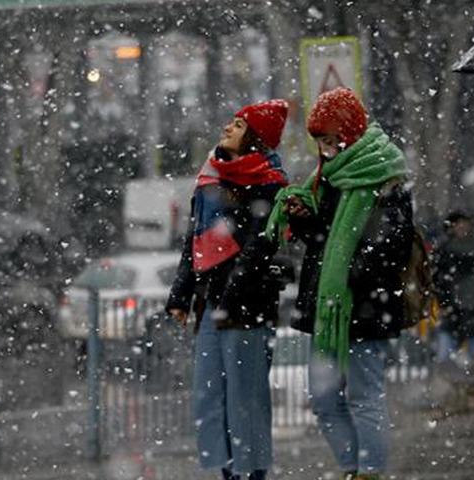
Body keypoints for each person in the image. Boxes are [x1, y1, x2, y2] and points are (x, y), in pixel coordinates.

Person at [266, 87, 413, 480]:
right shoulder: (327, 177)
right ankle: (352, 468)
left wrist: (350, 271)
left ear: (349, 132)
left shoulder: (385, 176)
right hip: (328, 307)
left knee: (365, 396)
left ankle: (369, 471)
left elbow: (390, 245)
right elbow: (322, 237)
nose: (327, 149)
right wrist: (301, 217)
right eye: (320, 142)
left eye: (331, 139)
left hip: (365, 304)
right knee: (324, 397)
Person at [165, 99, 290, 480]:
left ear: (254, 138)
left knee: (245, 396)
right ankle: (226, 470)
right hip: (210, 303)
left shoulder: (269, 184)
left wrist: (232, 289)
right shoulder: (211, 177)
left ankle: (250, 472)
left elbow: (259, 245)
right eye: (231, 122)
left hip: (246, 306)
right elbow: (195, 240)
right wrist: (181, 294)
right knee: (209, 394)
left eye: (238, 125)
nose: (228, 128)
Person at [432, 211, 474, 368]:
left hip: (473, 303)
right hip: (453, 304)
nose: (462, 228)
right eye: (458, 224)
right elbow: (438, 278)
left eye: (465, 224)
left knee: (473, 351)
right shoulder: (445, 249)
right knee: (447, 349)